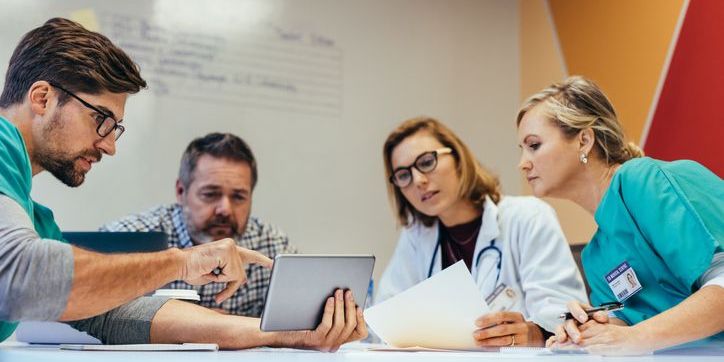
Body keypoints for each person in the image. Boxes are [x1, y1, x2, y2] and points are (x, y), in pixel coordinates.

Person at [0, 18, 365, 351]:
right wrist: (180, 263)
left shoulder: (35, 219)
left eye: (115, 128)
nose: (109, 145)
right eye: (101, 119)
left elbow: (112, 312)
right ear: (42, 98)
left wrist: (289, 334)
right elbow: (24, 276)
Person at [516, 76, 723, 355]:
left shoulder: (642, 181)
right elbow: (628, 327)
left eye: (534, 145)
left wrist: (637, 337)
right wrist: (586, 331)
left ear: (584, 140)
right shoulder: (597, 255)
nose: (523, 164)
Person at [377, 117, 587, 347]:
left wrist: (533, 333)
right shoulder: (417, 237)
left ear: (458, 158)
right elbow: (383, 320)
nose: (418, 180)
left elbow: (564, 315)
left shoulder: (528, 217)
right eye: (403, 175)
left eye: (427, 162)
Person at [102, 132, 296, 317]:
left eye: (238, 197)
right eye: (210, 194)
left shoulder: (273, 247)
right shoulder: (127, 238)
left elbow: (301, 325)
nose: (225, 209)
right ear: (180, 191)